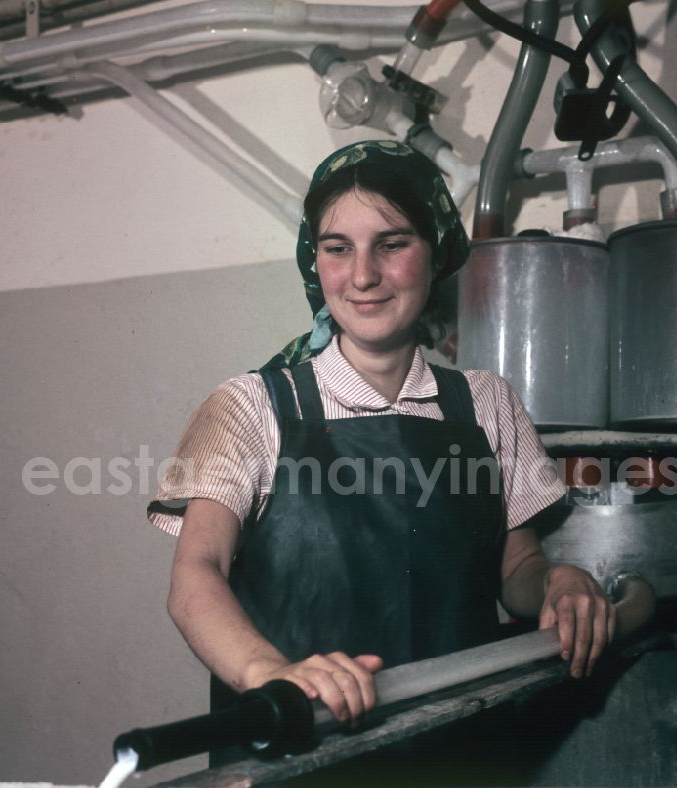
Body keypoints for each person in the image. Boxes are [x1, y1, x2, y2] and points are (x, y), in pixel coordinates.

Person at [148, 139, 614, 743]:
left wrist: (558, 581)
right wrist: (274, 674)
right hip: (296, 758)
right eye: (338, 249)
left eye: (392, 244)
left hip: (456, 752)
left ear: (434, 252)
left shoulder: (485, 402)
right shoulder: (250, 406)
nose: (364, 275)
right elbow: (195, 577)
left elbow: (516, 567)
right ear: (315, 261)